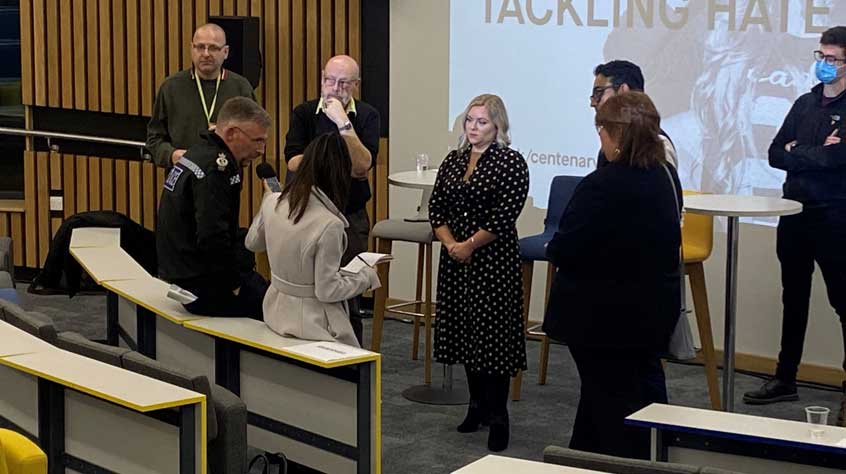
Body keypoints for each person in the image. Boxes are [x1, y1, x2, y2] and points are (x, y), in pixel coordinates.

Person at [543, 92, 682, 459]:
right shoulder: (666, 176)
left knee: (610, 408)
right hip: (650, 314)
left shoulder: (601, 185)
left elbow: (565, 247)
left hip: (601, 320)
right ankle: (585, 459)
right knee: (617, 401)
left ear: (612, 134)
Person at [745, 26, 846, 427]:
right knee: (794, 296)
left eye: (833, 58)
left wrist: (799, 153)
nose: (824, 64)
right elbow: (774, 152)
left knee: (843, 302)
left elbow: (837, 162)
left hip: (836, 216)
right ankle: (786, 377)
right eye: (820, 56)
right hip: (794, 213)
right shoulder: (805, 103)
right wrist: (814, 152)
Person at [428, 93, 528, 452]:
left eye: (482, 122)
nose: (473, 128)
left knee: (493, 338)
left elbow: (504, 216)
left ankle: (498, 415)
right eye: (469, 120)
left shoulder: (511, 162)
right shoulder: (453, 161)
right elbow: (436, 207)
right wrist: (452, 243)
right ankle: (476, 406)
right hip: (455, 261)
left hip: (492, 261)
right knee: (465, 333)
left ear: (498, 125)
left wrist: (469, 244)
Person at [246, 132, 380, 347]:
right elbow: (327, 290)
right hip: (314, 324)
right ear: (341, 174)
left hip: (274, 311)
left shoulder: (273, 201)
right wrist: (366, 277)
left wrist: (267, 202)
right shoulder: (330, 225)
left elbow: (252, 243)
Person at [283, 54, 380, 345]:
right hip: (307, 212)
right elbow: (292, 162)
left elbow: (363, 165)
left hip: (349, 214)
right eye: (329, 80)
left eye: (343, 83)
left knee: (348, 297)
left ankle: (354, 362)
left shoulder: (366, 115)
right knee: (309, 292)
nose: (334, 88)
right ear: (322, 78)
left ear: (356, 85)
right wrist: (336, 162)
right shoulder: (303, 113)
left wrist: (342, 123)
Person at [157, 97, 270, 318]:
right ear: (232, 134)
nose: (261, 150)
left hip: (181, 272)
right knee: (279, 307)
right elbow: (212, 236)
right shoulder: (216, 169)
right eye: (257, 140)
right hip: (202, 285)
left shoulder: (198, 151)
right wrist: (234, 284)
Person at [146, 23, 256, 168]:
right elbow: (154, 139)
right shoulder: (171, 87)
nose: (206, 54)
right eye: (200, 47)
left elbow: (254, 138)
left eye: (213, 48)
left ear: (226, 52)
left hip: (226, 179)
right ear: (192, 49)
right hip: (181, 181)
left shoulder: (241, 87)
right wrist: (171, 155)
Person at [591, 60, 677, 169]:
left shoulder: (658, 145)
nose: (593, 103)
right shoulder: (609, 145)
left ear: (623, 91)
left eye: (598, 93)